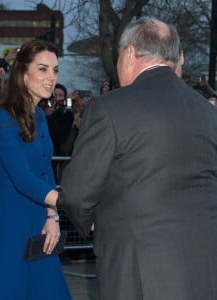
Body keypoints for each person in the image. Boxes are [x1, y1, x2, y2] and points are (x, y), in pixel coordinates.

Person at [58, 17, 217, 299]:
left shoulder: (109, 108)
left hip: (137, 271)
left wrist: (94, 222)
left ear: (129, 53)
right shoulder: (207, 111)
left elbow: (77, 192)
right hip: (204, 266)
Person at [0, 39, 71, 300]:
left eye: (55, 70)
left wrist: (52, 217)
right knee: (5, 287)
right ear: (23, 73)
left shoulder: (41, 116)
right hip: (11, 217)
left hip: (41, 216)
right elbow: (22, 178)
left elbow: (45, 173)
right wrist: (71, 203)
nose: (51, 77)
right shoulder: (2, 119)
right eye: (43, 69)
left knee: (45, 288)